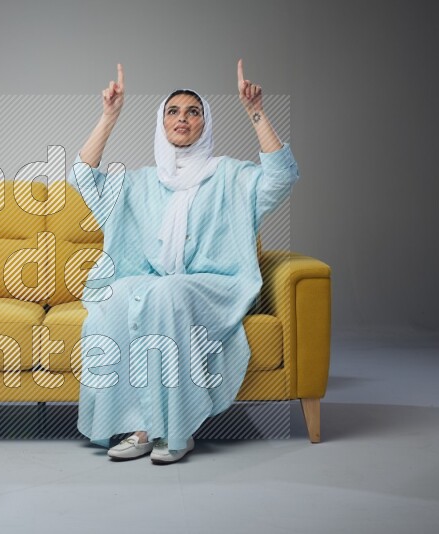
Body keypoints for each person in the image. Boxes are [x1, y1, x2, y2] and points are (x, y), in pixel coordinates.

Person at [67, 61, 300, 464]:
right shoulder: (140, 183)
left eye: (193, 111)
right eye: (173, 111)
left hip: (213, 285)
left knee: (166, 292)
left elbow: (281, 178)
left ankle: (176, 431)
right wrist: (109, 117)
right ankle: (143, 426)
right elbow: (83, 177)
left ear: (204, 123)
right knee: (117, 296)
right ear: (161, 123)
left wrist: (256, 112)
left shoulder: (230, 176)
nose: (183, 118)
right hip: (160, 284)